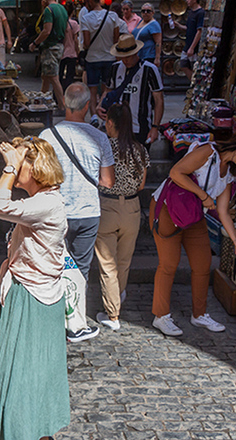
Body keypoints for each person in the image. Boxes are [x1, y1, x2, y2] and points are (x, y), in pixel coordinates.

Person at [0, 136, 70, 440]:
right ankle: (37, 431)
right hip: (36, 294)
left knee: (23, 375)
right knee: (35, 373)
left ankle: (24, 432)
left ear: (34, 168)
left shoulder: (44, 204)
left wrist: (10, 164)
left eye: (22, 165)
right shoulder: (46, 201)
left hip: (33, 299)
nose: (15, 169)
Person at [150, 128, 236, 336]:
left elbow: (223, 211)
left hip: (193, 215)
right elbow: (175, 172)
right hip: (168, 209)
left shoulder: (228, 172)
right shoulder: (208, 152)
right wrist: (203, 196)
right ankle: (161, 316)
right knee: (168, 265)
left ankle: (199, 315)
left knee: (203, 263)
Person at [40, 82, 115, 342]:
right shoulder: (99, 137)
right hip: (87, 211)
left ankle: (51, 318)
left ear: (64, 105)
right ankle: (75, 323)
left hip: (55, 212)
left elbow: (39, 177)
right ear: (87, 106)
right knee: (81, 268)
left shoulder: (47, 137)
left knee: (51, 265)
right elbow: (108, 182)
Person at [94, 103, 149, 331]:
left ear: (110, 123)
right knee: (124, 261)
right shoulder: (140, 150)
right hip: (132, 208)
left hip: (107, 206)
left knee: (107, 263)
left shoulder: (103, 148)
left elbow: (98, 178)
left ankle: (112, 314)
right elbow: (142, 184)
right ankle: (117, 296)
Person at [98, 33, 165, 147]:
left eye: (128, 56)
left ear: (136, 53)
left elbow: (159, 100)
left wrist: (155, 127)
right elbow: (108, 91)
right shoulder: (115, 68)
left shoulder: (149, 69)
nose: (125, 60)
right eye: (122, 56)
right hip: (116, 127)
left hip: (140, 127)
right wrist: (100, 105)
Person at [80, 0, 121, 115]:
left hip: (92, 59)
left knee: (92, 90)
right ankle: (105, 114)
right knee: (107, 89)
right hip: (110, 58)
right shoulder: (113, 16)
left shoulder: (86, 19)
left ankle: (93, 116)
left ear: (90, 2)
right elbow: (116, 40)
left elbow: (86, 43)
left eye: (86, 3)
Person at [30, 0, 69, 111]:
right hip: (59, 46)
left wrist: (35, 43)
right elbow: (67, 29)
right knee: (46, 76)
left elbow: (46, 31)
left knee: (53, 77)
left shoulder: (48, 10)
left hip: (50, 47)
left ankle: (62, 106)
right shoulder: (62, 9)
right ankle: (40, 100)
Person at [174, 0, 205, 81]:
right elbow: (188, 28)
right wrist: (178, 25)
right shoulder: (191, 12)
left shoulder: (200, 13)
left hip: (194, 47)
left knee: (194, 67)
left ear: (195, 0)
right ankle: (194, 84)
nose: (187, 1)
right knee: (183, 64)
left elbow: (199, 31)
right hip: (187, 45)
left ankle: (195, 86)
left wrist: (192, 47)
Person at [133, 3, 162, 68]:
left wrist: (157, 58)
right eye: (143, 11)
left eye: (148, 11)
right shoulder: (140, 22)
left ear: (153, 13)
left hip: (148, 56)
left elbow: (158, 42)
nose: (145, 13)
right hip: (139, 55)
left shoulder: (154, 24)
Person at [59, 2, 80, 92]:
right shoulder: (74, 24)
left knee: (59, 76)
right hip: (71, 53)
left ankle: (58, 95)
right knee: (69, 77)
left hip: (61, 53)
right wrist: (78, 51)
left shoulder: (60, 23)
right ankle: (68, 94)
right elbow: (75, 40)